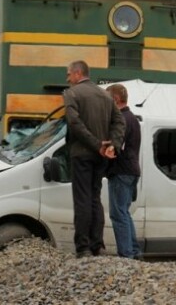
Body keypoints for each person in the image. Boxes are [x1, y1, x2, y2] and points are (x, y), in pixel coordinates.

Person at [64, 60, 125, 258]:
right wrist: (111, 145)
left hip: (82, 153)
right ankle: (97, 244)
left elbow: (74, 123)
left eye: (69, 74)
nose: (67, 78)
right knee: (95, 198)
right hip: (101, 157)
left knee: (82, 199)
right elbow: (119, 121)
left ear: (78, 73)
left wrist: (96, 144)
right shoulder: (105, 96)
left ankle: (83, 247)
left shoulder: (72, 94)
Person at [105, 84, 141, 259]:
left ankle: (126, 255)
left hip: (121, 170)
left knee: (118, 214)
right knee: (124, 213)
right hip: (131, 170)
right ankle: (133, 250)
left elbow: (116, 144)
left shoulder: (121, 119)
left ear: (115, 99)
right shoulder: (132, 117)